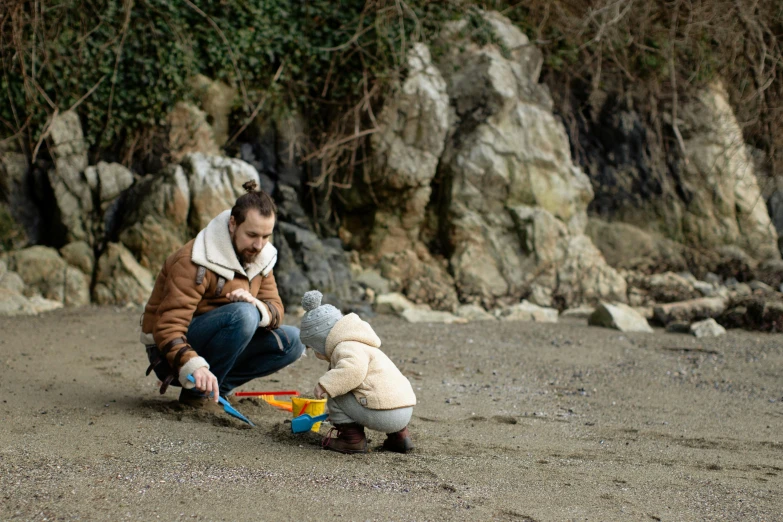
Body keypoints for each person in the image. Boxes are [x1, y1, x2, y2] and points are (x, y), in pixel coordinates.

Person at [141, 180, 304, 410]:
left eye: (266, 236)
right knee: (244, 315)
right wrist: (192, 365)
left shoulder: (261, 256)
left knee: (293, 341)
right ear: (232, 224)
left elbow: (276, 309)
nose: (259, 245)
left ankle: (219, 389)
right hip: (169, 353)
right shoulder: (193, 260)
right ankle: (197, 392)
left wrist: (258, 306)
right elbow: (167, 328)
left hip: (226, 341)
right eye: (252, 235)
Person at [299, 290, 416, 454]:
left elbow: (353, 371)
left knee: (338, 389)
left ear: (323, 339)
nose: (317, 355)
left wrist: (324, 385)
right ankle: (400, 437)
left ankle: (352, 439)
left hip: (384, 415)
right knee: (379, 388)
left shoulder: (345, 346)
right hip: (405, 408)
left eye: (315, 349)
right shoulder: (364, 344)